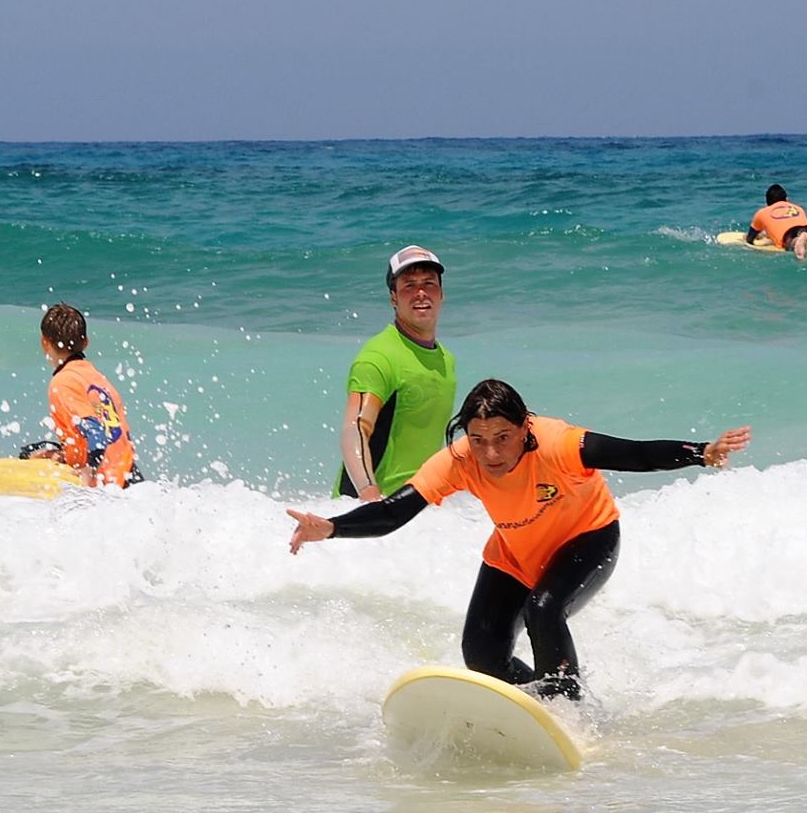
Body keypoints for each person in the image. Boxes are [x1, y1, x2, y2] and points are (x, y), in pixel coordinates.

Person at [290, 378, 751, 700]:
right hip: (516, 553)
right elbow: (393, 513)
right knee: (482, 654)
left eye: (503, 438)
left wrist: (699, 453)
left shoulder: (557, 443)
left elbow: (632, 452)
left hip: (588, 538)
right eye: (478, 439)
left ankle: (567, 708)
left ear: (524, 428)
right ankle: (536, 703)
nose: (490, 452)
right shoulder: (458, 461)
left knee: (544, 610)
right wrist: (331, 528)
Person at [336, 245, 456, 501]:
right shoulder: (379, 358)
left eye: (428, 283)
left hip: (416, 508)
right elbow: (354, 429)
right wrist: (370, 497)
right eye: (409, 285)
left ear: (442, 293)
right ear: (393, 298)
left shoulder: (446, 359)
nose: (420, 293)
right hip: (370, 508)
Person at [23, 302, 141, 487]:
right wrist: (64, 455)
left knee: (25, 455)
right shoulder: (97, 379)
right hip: (131, 476)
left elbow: (96, 435)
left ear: (44, 343)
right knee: (39, 449)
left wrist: (88, 474)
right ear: (86, 342)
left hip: (108, 487)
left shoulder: (62, 382)